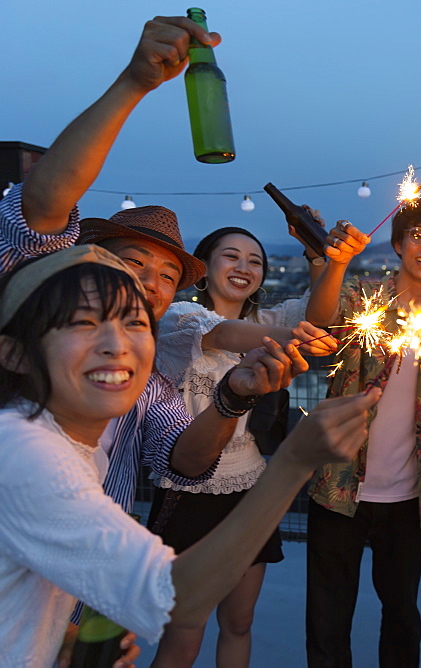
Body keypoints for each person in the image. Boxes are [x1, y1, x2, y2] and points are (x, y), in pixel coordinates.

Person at [0, 245, 380, 666]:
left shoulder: (112, 417)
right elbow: (177, 597)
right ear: (12, 352)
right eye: (84, 323)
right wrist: (294, 462)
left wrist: (57, 639)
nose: (116, 345)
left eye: (134, 323)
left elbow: (186, 458)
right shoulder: (26, 453)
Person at [0, 16, 298, 518]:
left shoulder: (146, 384)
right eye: (133, 261)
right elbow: (43, 206)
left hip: (85, 588)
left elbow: (183, 459)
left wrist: (231, 397)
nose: (150, 282)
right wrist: (134, 82)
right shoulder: (36, 313)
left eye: (167, 276)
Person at [145, 225, 333, 666]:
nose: (244, 267)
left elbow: (319, 315)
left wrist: (328, 260)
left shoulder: (266, 322)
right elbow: (226, 335)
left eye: (255, 261)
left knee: (239, 622)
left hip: (249, 489)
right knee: (184, 629)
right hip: (187, 490)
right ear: (204, 269)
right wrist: (300, 340)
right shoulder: (178, 319)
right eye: (231, 256)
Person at [304, 196, 421, 667]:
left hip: (408, 495)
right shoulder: (362, 296)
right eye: (418, 235)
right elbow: (319, 318)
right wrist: (336, 263)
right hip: (339, 485)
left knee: (401, 616)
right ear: (398, 243)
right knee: (327, 617)